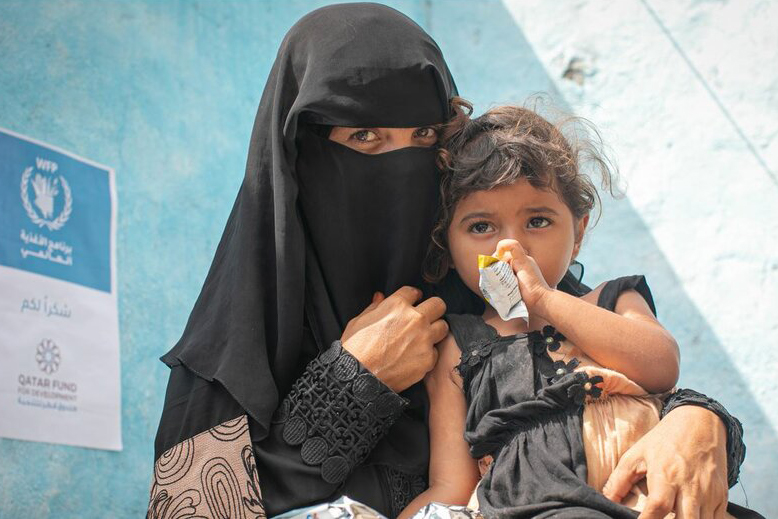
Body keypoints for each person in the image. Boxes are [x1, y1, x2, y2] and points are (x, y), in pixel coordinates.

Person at [148, 4, 746, 519]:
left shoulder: (497, 290)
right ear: (298, 155)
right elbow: (189, 507)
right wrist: (352, 384)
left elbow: (620, 379)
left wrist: (702, 422)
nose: (402, 168)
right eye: (365, 139)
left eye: (427, 137)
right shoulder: (239, 341)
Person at [399, 105, 760, 519]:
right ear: (448, 245)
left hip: (649, 497)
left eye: (537, 220)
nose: (510, 247)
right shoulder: (460, 346)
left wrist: (546, 300)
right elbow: (450, 485)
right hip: (539, 505)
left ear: (579, 233)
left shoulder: (611, 300)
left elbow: (661, 366)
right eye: (481, 227)